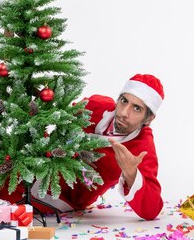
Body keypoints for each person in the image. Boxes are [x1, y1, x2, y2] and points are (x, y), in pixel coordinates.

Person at [49, 73, 165, 220]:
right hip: (31, 166)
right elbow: (63, 117)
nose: (123, 113)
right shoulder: (96, 105)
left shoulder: (143, 147)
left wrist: (131, 174)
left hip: (62, 202)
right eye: (124, 101)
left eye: (136, 108)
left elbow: (152, 210)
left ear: (149, 118)